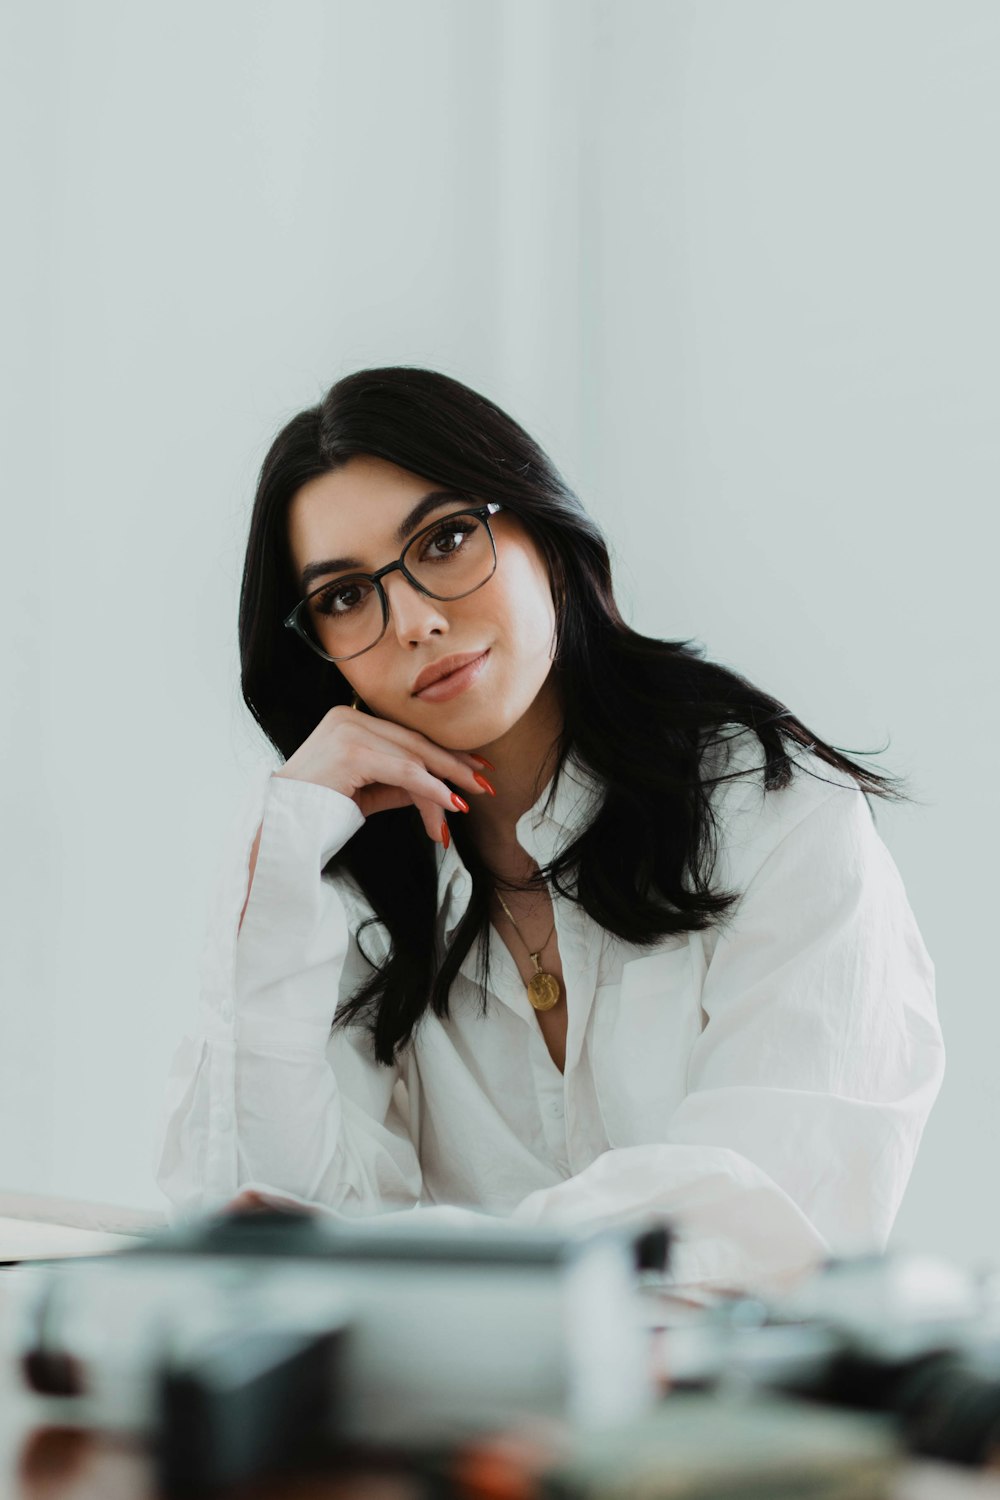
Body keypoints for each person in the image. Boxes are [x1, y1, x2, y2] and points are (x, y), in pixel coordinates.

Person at [153, 365, 945, 1296]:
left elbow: (758, 1216)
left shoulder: (775, 813)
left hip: (733, 1429)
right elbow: (251, 1243)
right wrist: (281, 847)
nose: (412, 621)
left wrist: (410, 1271)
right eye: (344, 598)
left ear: (542, 530)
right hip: (452, 1434)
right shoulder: (348, 892)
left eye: (446, 539)